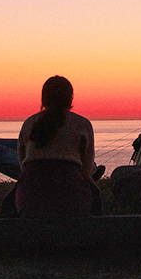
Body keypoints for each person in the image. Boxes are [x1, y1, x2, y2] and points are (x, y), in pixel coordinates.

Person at [16, 76, 100, 215]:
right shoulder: (82, 124)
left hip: (30, 201)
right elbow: (87, 168)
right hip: (71, 200)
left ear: (43, 98)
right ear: (70, 98)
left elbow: (22, 162)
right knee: (96, 198)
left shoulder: (29, 123)